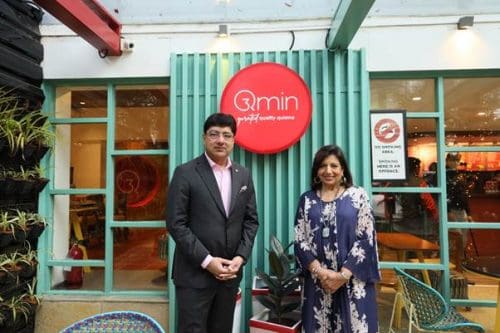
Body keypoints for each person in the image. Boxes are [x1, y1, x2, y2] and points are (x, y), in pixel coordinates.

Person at [166, 113, 259, 333]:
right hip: (194, 276)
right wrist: (208, 261)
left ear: (234, 140)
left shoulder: (243, 175)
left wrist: (240, 257)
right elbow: (176, 223)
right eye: (214, 134)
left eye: (227, 135)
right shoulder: (185, 173)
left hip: (229, 276)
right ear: (204, 138)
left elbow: (251, 221)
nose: (221, 140)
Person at [294, 145, 380, 333]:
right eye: (323, 166)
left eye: (334, 165)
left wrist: (342, 276)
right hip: (318, 284)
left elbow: (366, 238)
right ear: (316, 171)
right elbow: (300, 240)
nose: (328, 171)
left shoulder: (358, 196)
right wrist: (322, 273)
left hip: (353, 283)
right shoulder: (307, 200)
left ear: (343, 170)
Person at [394, 157, 439, 239]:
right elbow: (429, 203)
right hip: (417, 223)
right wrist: (435, 217)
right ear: (416, 168)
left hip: (399, 223)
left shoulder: (396, 182)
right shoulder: (419, 182)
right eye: (419, 167)